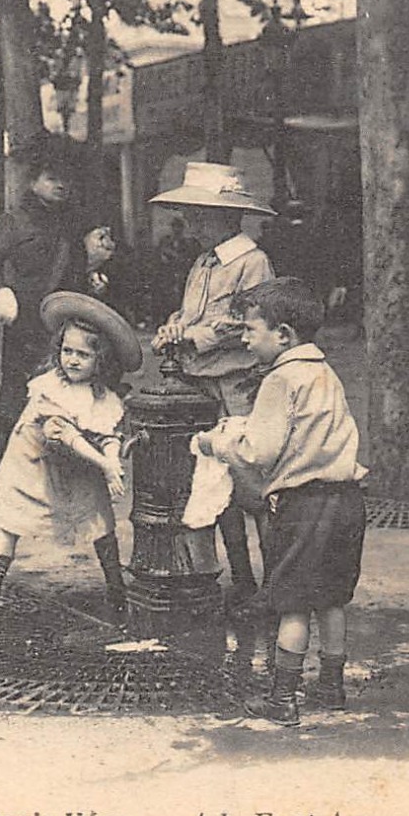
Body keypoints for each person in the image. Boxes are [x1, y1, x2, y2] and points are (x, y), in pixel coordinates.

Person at [195, 279, 368, 726]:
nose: (245, 339)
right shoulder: (324, 372)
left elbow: (259, 452)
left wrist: (216, 444)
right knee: (331, 599)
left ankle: (283, 699)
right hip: (347, 499)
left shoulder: (280, 378)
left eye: (251, 330)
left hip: (305, 504)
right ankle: (332, 685)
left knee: (292, 603)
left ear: (284, 334)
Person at [149, 161, 276, 611]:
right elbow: (190, 314)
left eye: (201, 214)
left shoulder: (252, 261)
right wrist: (172, 327)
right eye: (191, 214)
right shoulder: (203, 262)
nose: (194, 223)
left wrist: (192, 334)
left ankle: (273, 584)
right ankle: (240, 579)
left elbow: (244, 321)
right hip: (198, 385)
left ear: (228, 216)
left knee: (252, 485)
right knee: (212, 482)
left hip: (238, 385)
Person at [0, 292, 144, 623]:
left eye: (83, 354)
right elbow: (63, 433)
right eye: (67, 351)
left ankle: (115, 587)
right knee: (12, 522)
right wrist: (105, 464)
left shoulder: (103, 397)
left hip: (76, 463)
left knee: (99, 516)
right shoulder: (48, 388)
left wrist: (113, 462)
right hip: (32, 463)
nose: (73, 360)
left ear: (101, 360)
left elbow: (108, 433)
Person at [0, 133, 89, 488]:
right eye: (53, 178)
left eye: (67, 178)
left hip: (65, 326)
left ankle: (52, 475)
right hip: (24, 326)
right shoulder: (15, 220)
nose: (62, 185)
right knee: (14, 397)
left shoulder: (73, 221)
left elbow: (75, 271)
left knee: (67, 398)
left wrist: (91, 280)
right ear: (34, 181)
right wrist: (1, 291)